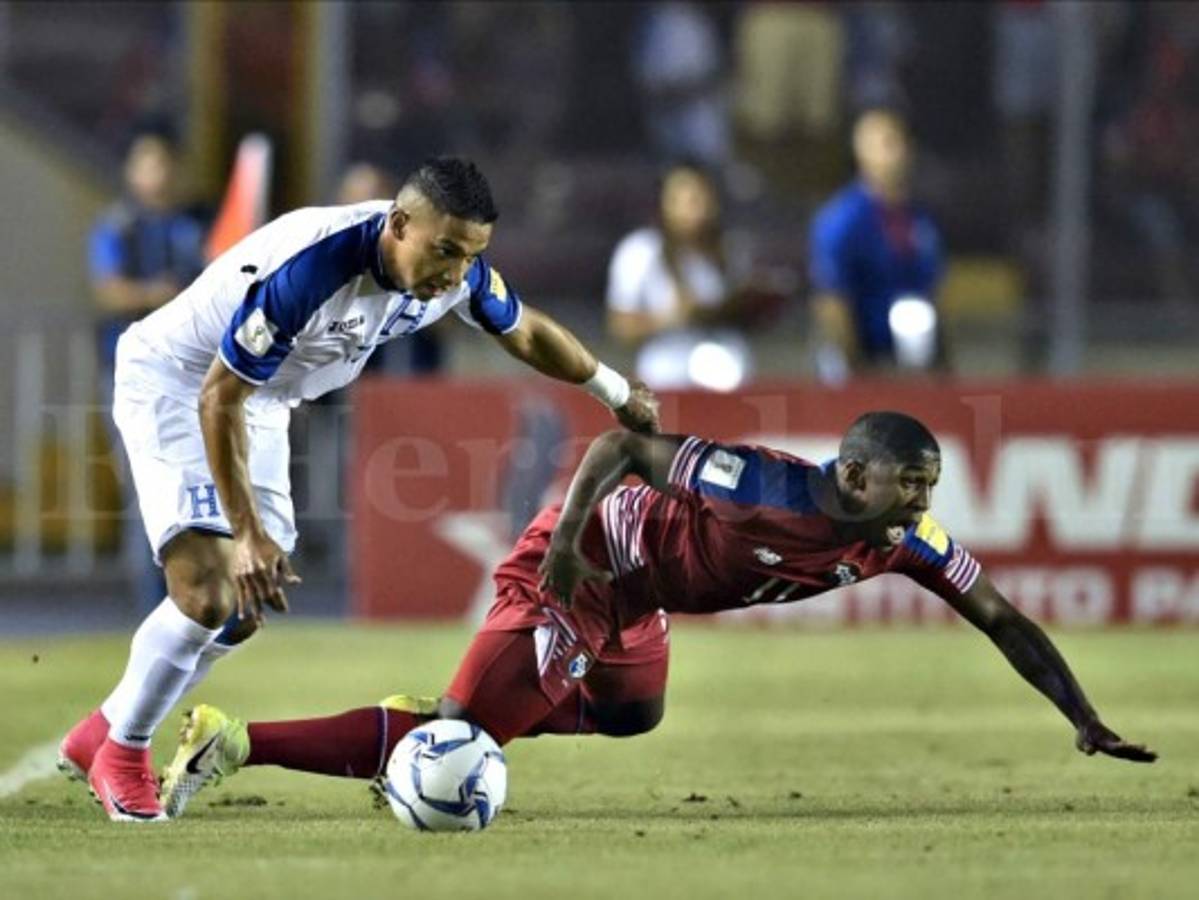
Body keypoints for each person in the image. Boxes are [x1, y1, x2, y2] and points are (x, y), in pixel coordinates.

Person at [159, 411, 1156, 820]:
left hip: (643, 600)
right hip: (586, 567)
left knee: (634, 714)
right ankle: (233, 740)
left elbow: (1001, 617)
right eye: (910, 481)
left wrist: (1077, 714)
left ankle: (480, 697)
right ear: (852, 474)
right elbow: (628, 443)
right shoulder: (758, 482)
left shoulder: (904, 540)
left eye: (929, 483)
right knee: (458, 740)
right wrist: (559, 543)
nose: (922, 498)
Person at [57, 156, 660, 823]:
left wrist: (611, 388)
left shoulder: (447, 273)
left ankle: (103, 729)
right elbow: (218, 395)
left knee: (243, 608)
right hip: (183, 384)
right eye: (446, 252)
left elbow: (524, 330)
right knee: (207, 588)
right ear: (399, 224)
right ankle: (125, 754)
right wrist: (249, 534)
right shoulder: (314, 268)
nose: (456, 273)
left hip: (259, 403)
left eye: (470, 257)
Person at [89, 127, 209, 613]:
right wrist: (160, 295)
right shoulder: (118, 226)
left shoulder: (192, 225)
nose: (158, 174)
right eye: (148, 163)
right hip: (130, 377)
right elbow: (108, 289)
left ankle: (197, 602)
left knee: (195, 485)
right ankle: (155, 603)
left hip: (187, 374)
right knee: (147, 487)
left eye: (165, 163)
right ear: (132, 171)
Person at [809, 108, 944, 383]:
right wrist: (859, 372)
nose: (895, 153)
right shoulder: (842, 221)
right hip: (861, 367)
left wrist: (940, 367)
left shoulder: (920, 220)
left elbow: (933, 292)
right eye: (884, 144)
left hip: (913, 364)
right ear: (861, 152)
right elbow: (832, 301)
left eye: (898, 142)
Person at [606, 162, 753, 389]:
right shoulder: (640, 251)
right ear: (664, 203)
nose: (693, 210)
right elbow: (621, 326)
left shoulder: (732, 250)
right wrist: (673, 318)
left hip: (726, 372)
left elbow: (741, 314)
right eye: (682, 201)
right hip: (666, 374)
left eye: (699, 199)